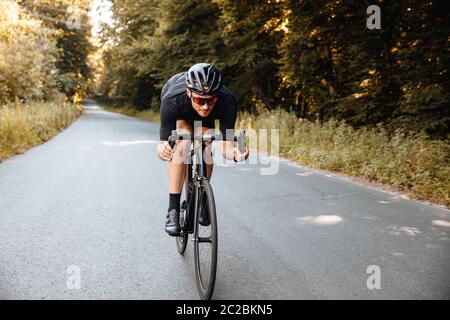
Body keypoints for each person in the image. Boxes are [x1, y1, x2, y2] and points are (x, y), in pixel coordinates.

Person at [157, 63, 249, 236]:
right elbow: (162, 145)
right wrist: (163, 149)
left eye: (211, 100)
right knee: (183, 141)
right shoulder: (173, 99)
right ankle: (173, 209)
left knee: (206, 140)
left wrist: (236, 154)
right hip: (181, 112)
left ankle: (203, 197)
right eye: (200, 100)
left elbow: (226, 147)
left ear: (217, 96)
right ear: (189, 93)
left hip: (205, 122)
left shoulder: (227, 100)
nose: (206, 106)